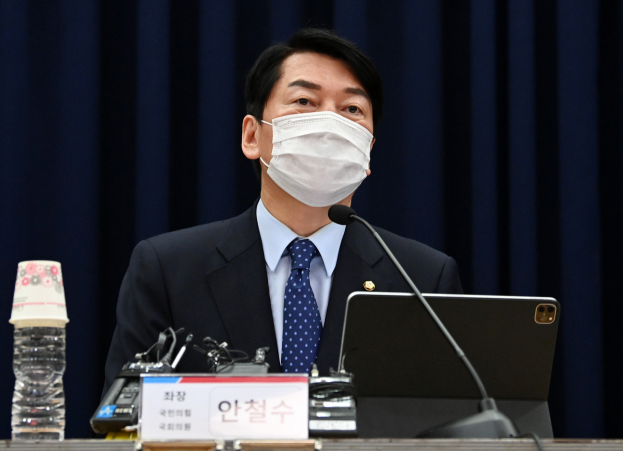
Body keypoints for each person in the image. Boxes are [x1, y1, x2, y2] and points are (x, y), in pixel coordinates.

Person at [103, 28, 463, 393]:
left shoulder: (423, 280)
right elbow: (124, 418)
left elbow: (449, 418)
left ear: (367, 150)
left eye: (352, 109)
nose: (330, 125)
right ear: (252, 136)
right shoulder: (167, 270)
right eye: (304, 101)